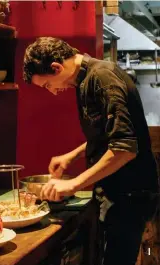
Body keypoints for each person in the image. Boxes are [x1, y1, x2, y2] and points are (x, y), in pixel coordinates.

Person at [23, 37, 159, 265]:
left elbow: (125, 147)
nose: (53, 92)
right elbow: (108, 135)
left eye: (48, 85)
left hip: (129, 195)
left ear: (56, 68)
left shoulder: (102, 77)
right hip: (115, 193)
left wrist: (74, 184)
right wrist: (72, 155)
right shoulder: (85, 79)